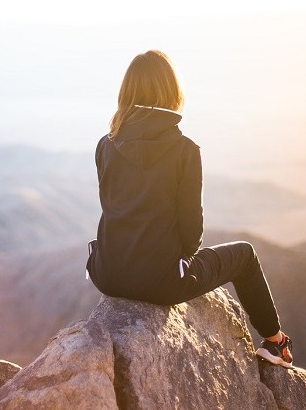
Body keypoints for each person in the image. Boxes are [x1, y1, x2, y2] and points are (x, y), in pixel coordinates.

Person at [86, 49, 293, 368]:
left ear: (126, 92)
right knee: (246, 255)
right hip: (162, 283)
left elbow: (112, 207)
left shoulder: (105, 144)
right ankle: (275, 342)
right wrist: (177, 263)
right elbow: (192, 233)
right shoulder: (185, 151)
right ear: (172, 92)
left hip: (106, 273)